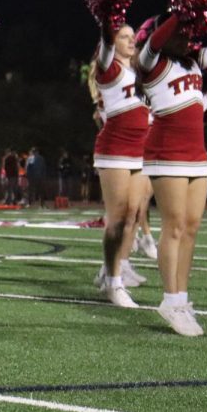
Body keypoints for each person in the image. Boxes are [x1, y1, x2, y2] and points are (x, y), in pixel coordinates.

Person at [135, 11, 207, 335]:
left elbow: (202, 103)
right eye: (182, 33)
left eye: (190, 33)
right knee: (174, 227)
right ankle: (170, 300)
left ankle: (182, 299)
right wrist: (183, 10)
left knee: (192, 228)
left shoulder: (193, 64)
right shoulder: (151, 62)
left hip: (197, 153)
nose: (188, 39)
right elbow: (156, 40)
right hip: (166, 152)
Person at [87, 23, 151, 308]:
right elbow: (105, 45)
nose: (131, 41)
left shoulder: (141, 71)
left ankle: (112, 269)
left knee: (134, 214)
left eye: (133, 37)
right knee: (118, 218)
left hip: (141, 148)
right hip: (115, 148)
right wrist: (107, 18)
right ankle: (114, 283)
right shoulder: (109, 69)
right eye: (124, 37)